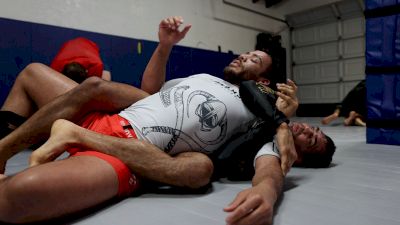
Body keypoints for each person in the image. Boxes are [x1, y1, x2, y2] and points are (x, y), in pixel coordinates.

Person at [0, 16, 334, 225]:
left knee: (14, 199)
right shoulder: (203, 76)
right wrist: (164, 47)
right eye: (245, 53)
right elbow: (151, 92)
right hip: (112, 117)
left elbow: (269, 170)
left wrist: (267, 194)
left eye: (254, 59)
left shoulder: (257, 118)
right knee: (32, 74)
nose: (244, 56)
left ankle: (75, 136)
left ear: (263, 81)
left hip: (126, 154)